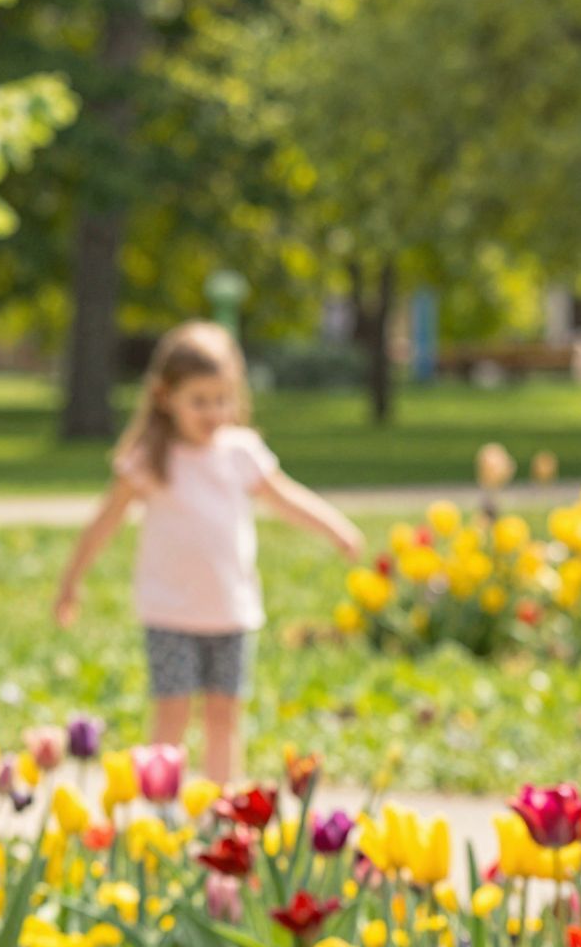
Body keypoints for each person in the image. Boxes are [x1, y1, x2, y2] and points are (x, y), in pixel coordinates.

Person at [53, 321, 364, 785]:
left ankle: (221, 812)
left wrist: (335, 528)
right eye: (199, 400)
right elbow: (105, 522)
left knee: (224, 719)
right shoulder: (150, 459)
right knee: (171, 717)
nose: (214, 411)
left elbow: (285, 497)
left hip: (231, 613)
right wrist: (71, 582)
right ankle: (159, 813)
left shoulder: (241, 453)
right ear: (165, 396)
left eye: (223, 399)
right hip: (171, 613)